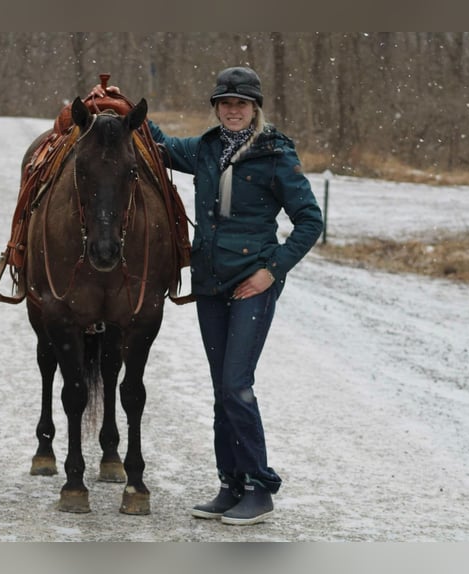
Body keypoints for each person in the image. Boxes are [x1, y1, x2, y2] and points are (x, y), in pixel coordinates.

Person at [89, 66, 323, 526]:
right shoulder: (206, 149)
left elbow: (310, 221)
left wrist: (270, 271)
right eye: (225, 103)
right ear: (216, 108)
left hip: (251, 285)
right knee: (221, 390)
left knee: (237, 384)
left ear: (255, 108)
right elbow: (158, 142)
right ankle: (229, 483)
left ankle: (258, 485)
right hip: (211, 285)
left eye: (241, 103)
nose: (233, 111)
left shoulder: (276, 154)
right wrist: (121, 103)